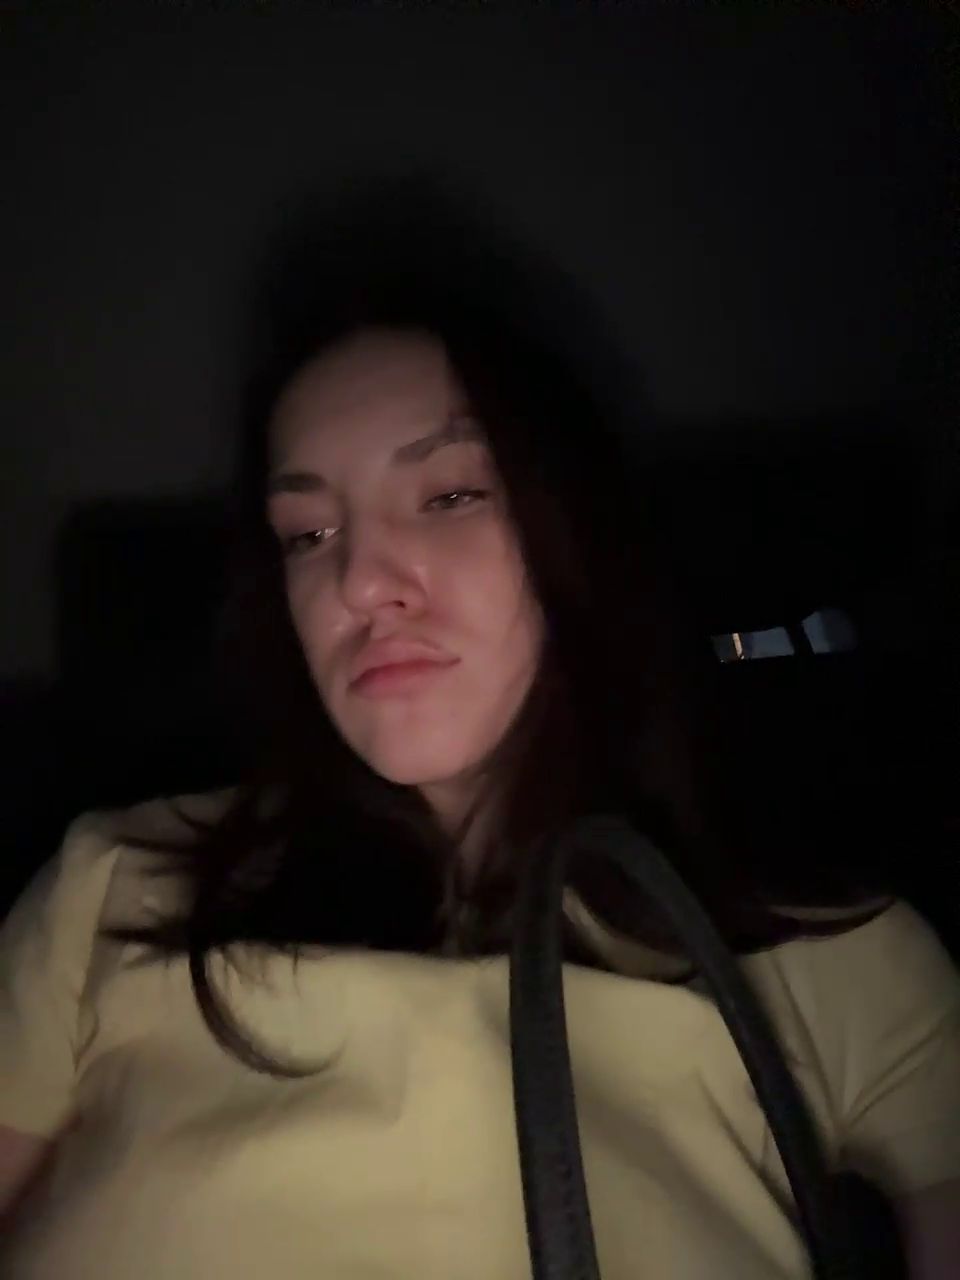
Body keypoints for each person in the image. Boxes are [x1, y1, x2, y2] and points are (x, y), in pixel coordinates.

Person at [1, 189, 959, 1279]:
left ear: (574, 530)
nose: (357, 581)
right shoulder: (111, 885)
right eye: (307, 532)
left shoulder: (836, 957)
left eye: (451, 493)